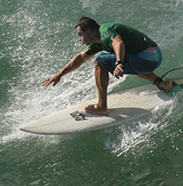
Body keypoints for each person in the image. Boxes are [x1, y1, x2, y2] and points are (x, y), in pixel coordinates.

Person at [43, 17, 176, 115]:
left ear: (89, 31)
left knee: (99, 61)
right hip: (153, 56)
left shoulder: (105, 31)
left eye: (80, 35)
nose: (79, 39)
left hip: (146, 58)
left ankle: (101, 106)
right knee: (126, 59)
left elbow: (119, 43)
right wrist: (59, 74)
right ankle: (161, 83)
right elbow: (80, 58)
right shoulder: (98, 42)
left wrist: (119, 63)